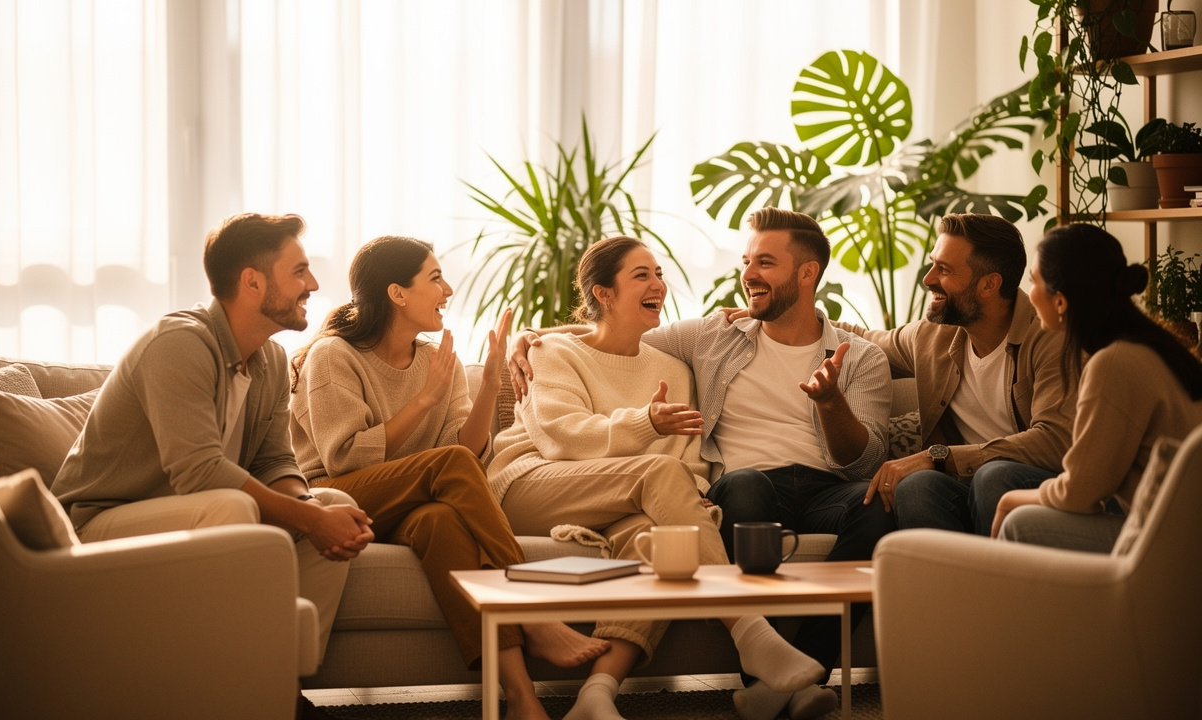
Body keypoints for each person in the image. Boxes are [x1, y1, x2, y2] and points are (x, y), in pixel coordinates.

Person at [510, 209, 893, 720]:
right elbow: (605, 338)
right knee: (733, 487)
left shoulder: (857, 357)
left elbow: (864, 460)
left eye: (766, 262)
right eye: (747, 261)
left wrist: (831, 404)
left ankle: (598, 692)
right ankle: (757, 646)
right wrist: (532, 335)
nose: (749, 273)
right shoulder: (712, 337)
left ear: (807, 274)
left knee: (874, 509)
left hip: (819, 488)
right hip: (562, 478)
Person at [52, 213, 375, 720]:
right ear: (253, 281)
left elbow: (275, 460)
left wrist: (312, 509)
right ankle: (238, 692)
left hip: (191, 518)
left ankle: (278, 689)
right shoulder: (179, 344)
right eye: (299, 271)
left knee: (334, 502)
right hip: (98, 525)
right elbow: (198, 473)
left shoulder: (268, 360)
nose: (313, 284)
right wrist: (308, 520)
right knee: (234, 506)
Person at [287, 235, 610, 720]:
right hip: (340, 497)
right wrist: (424, 399)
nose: (448, 289)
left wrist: (493, 376)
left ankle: (521, 697)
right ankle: (533, 608)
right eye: (435, 278)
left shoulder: (441, 362)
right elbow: (346, 459)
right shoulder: (334, 355)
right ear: (397, 293)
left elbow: (464, 452)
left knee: (442, 523)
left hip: (411, 501)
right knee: (447, 472)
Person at [832, 213, 1077, 536]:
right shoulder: (932, 337)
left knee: (995, 477)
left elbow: (1055, 441)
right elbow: (863, 339)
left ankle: (1006, 583)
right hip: (969, 485)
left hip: (1039, 485)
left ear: (989, 284)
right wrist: (779, 316)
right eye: (934, 264)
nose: (928, 278)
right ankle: (951, 582)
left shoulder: (1048, 335)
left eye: (944, 269)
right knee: (918, 485)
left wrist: (943, 456)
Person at [990, 223, 1202, 551]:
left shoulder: (1115, 364)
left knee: (1021, 522)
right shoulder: (1153, 347)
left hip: (1173, 545)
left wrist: (1009, 500)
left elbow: (1080, 494)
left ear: (1060, 301)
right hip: (1179, 528)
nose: (1028, 294)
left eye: (1033, 281)